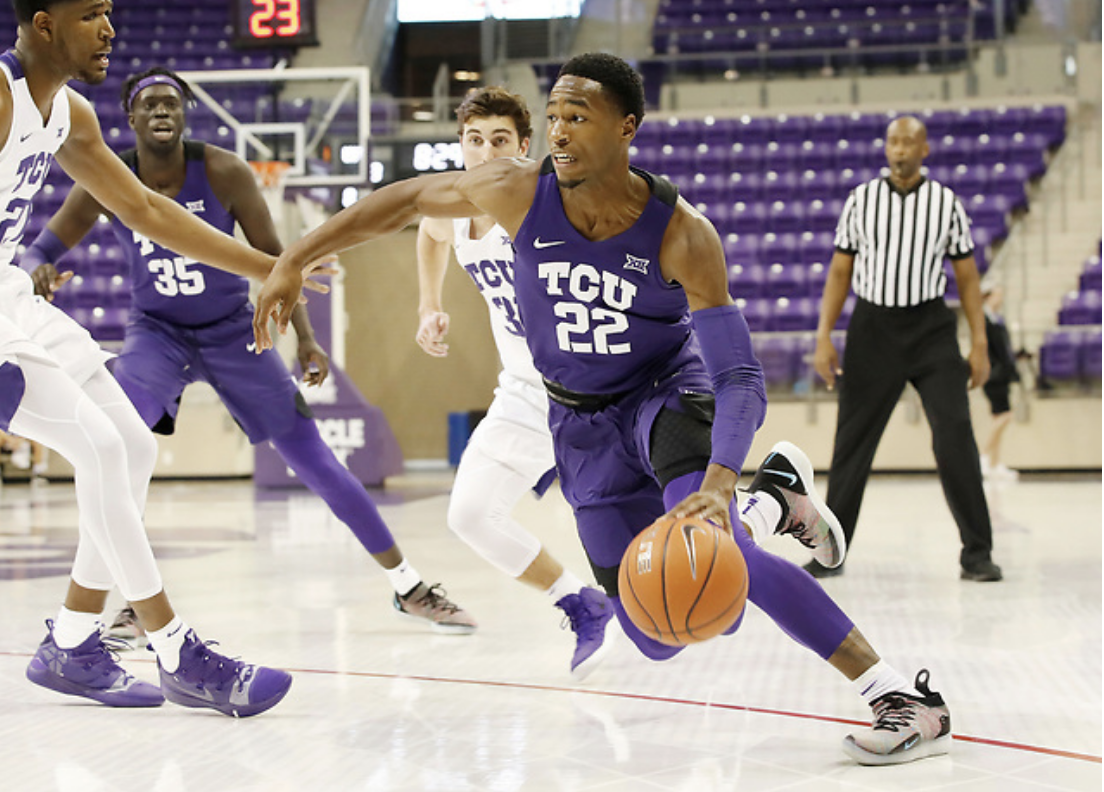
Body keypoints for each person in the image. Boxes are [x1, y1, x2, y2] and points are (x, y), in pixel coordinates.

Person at [253, 52, 954, 766]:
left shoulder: (683, 234)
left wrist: (717, 481)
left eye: (576, 117)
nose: (557, 132)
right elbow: (404, 203)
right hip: (577, 426)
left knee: (722, 553)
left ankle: (901, 698)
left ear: (627, 128)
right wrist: (291, 260)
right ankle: (772, 499)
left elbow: (739, 373)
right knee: (658, 631)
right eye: (552, 116)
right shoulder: (517, 192)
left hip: (664, 396)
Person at [21, 66, 476, 638]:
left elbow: (278, 259)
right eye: (151, 105)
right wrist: (38, 266)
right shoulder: (108, 179)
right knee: (118, 448)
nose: (163, 113)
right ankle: (134, 603)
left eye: (172, 104)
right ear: (130, 118)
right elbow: (42, 245)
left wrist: (306, 339)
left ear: (185, 115)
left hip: (233, 329)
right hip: (155, 331)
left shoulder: (222, 170)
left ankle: (408, 585)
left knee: (313, 458)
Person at [0, 0, 321, 716]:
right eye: (92, 15)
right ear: (45, 23)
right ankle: (178, 651)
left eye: (111, 12)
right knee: (104, 453)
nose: (110, 29)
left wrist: (266, 266)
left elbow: (146, 210)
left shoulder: (69, 113)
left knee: (133, 450)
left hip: (11, 297)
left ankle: (74, 643)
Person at [414, 85, 612, 678]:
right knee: (470, 514)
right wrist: (429, 304)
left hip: (601, 391)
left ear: (525, 147)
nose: (486, 152)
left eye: (500, 140)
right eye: (474, 141)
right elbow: (429, 234)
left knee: (666, 517)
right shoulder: (451, 205)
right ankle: (580, 603)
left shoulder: (545, 202)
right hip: (526, 392)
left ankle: (768, 506)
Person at [810, 115, 1003, 583]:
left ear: (924, 150)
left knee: (956, 432)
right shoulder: (861, 200)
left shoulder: (945, 204)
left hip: (931, 328)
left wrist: (979, 342)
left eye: (908, 142)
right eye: (893, 141)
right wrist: (824, 336)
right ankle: (830, 552)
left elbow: (967, 277)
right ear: (885, 148)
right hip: (873, 327)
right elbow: (840, 272)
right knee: (852, 444)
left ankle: (977, 553)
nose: (899, 149)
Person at [978, 283, 1019, 481]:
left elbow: (1004, 349)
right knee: (1005, 415)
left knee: (999, 417)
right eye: (997, 295)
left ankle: (994, 463)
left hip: (1002, 374)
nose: (1000, 299)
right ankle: (984, 455)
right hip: (993, 375)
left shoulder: (997, 320)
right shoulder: (983, 321)